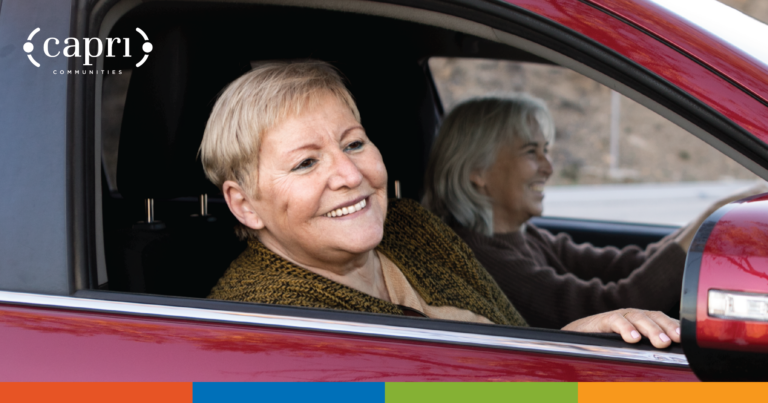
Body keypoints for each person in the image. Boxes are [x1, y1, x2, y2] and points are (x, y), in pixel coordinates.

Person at [200, 61, 681, 348]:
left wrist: (571, 341)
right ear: (245, 205)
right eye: (306, 163)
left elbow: (508, 343)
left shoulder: (410, 225)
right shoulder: (262, 323)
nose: (349, 174)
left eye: (354, 144)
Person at [422, 94, 768, 330]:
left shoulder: (524, 237)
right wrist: (714, 221)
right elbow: (610, 306)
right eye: (531, 152)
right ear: (478, 171)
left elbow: (628, 265)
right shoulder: (482, 258)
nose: (548, 167)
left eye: (546, 150)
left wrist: (714, 214)